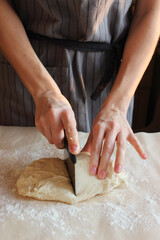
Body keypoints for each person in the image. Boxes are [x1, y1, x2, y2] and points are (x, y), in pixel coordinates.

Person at [0, 0, 159, 179]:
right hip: (26, 68)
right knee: (12, 173)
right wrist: (43, 91)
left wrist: (117, 105)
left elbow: (151, 8)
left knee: (103, 175)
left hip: (114, 83)